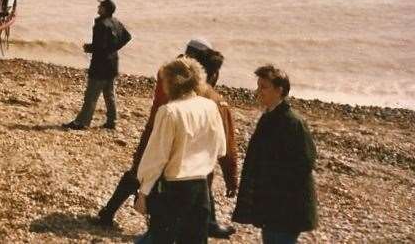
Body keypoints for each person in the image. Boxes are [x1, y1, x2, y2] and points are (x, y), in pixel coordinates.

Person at [97, 38, 239, 238]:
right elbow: (224, 145)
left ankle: (110, 212)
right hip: (175, 143)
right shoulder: (205, 92)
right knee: (194, 181)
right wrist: (231, 176)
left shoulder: (173, 73)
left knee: (140, 173)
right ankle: (203, 222)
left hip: (158, 131)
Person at [134, 56, 227, 244]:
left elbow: (157, 156)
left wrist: (143, 192)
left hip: (173, 188)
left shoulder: (170, 111)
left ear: (171, 82)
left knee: (162, 238)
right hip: (201, 186)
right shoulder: (210, 106)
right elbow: (220, 149)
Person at [232, 65, 318, 244]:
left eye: (264, 87)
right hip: (273, 204)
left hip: (286, 206)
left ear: (279, 91)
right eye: (258, 86)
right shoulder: (269, 117)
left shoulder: (293, 122)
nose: (259, 91)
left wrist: (274, 183)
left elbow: (306, 163)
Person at [65, 0, 131, 130]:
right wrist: (114, 48)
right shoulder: (116, 22)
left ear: (105, 9)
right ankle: (112, 121)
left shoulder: (101, 25)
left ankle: (82, 122)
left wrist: (88, 48)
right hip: (112, 63)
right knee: (109, 94)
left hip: (100, 65)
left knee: (91, 95)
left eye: (100, 6)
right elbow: (127, 37)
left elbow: (99, 46)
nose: (98, 8)